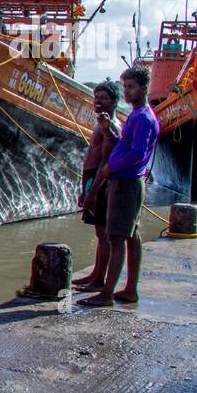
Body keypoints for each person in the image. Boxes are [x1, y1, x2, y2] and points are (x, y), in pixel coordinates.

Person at [80, 66, 159, 307]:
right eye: (124, 86)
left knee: (116, 238)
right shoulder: (137, 114)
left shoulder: (143, 117)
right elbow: (126, 146)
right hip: (126, 180)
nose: (126, 92)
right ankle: (128, 289)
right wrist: (108, 133)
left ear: (144, 88)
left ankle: (106, 293)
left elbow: (136, 152)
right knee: (131, 237)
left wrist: (110, 169)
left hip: (126, 182)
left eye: (131, 87)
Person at [72, 81, 122, 292]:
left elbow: (105, 160)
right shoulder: (101, 124)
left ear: (113, 101)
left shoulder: (111, 126)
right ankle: (95, 274)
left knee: (103, 233)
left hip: (100, 181)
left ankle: (99, 280)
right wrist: (86, 188)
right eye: (95, 98)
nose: (97, 102)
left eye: (102, 98)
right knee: (98, 232)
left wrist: (93, 191)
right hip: (92, 179)